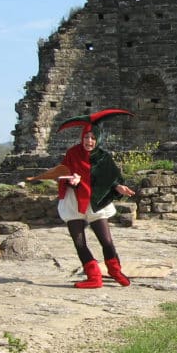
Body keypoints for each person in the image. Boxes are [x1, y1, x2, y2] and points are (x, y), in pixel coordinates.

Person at [27, 109, 137, 289]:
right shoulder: (72, 153)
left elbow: (110, 178)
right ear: (82, 138)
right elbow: (65, 172)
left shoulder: (103, 157)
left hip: (95, 201)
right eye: (86, 137)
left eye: (93, 138)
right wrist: (73, 180)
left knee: (106, 241)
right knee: (79, 242)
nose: (89, 141)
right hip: (74, 201)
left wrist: (119, 187)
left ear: (98, 139)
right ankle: (94, 276)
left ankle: (115, 270)